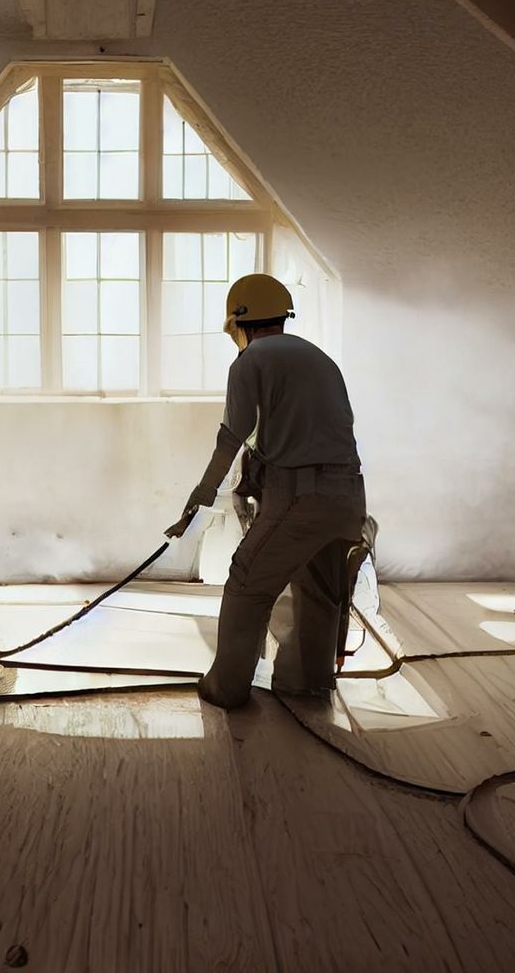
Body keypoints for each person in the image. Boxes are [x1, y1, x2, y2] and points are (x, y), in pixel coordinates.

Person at [168, 273, 367, 709]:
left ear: (240, 323)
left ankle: (226, 688)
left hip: (300, 497)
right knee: (319, 592)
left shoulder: (250, 361)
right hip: (350, 496)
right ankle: (306, 684)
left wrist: (199, 497)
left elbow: (231, 436)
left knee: (246, 585)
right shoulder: (320, 358)